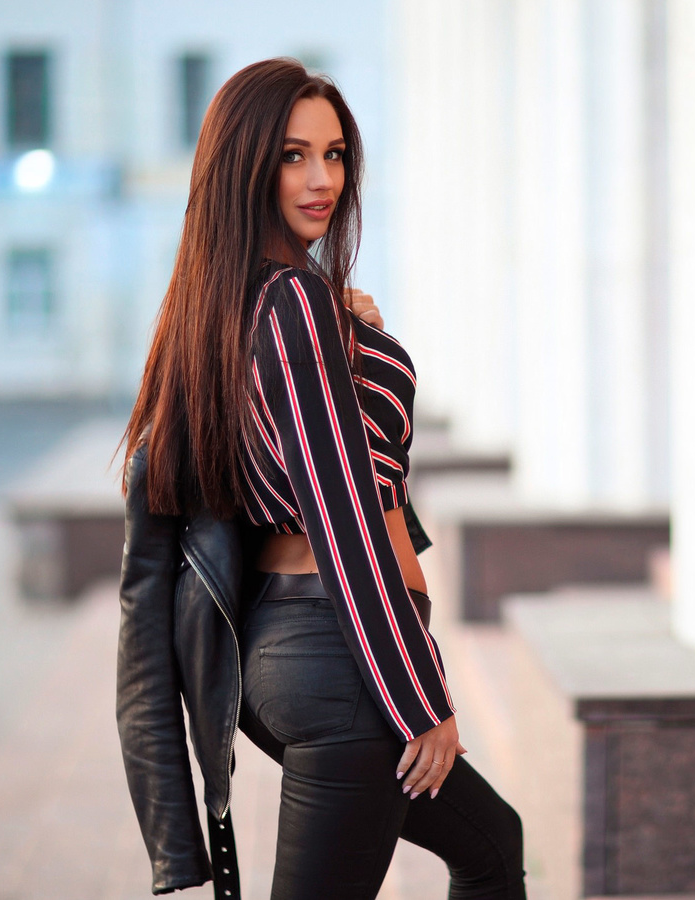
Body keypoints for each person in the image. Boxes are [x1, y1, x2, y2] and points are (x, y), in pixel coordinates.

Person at [114, 57, 526, 900]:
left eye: (335, 154)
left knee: (492, 843)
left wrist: (354, 340)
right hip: (342, 663)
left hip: (293, 654)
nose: (322, 178)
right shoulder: (292, 305)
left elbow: (338, 475)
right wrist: (421, 698)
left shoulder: (233, 307)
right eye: (295, 155)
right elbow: (343, 520)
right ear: (247, 166)